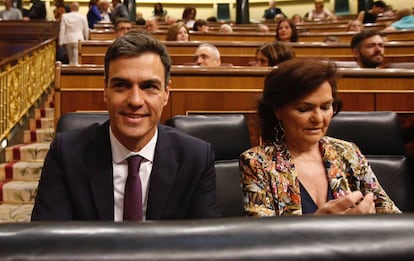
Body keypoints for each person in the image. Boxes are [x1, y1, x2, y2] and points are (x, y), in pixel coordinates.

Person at [31, 31, 220, 221]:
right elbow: (48, 241)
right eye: (121, 85)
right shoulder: (66, 153)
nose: (135, 101)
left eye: (149, 87)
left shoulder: (196, 157)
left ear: (166, 93)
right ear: (105, 91)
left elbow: (205, 245)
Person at [239, 57, 401, 216]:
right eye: (304, 109)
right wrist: (318, 225)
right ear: (278, 110)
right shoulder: (257, 162)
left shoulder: (348, 152)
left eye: (325, 107)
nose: (318, 118)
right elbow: (262, 235)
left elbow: (391, 215)